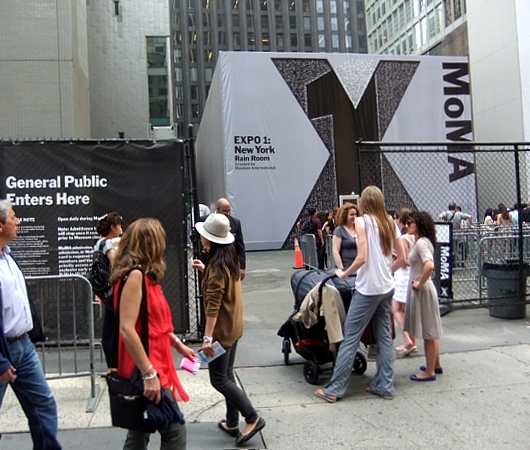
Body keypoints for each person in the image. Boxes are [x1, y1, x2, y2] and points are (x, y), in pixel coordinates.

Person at [111, 218, 196, 449]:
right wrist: (149, 374)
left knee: (140, 429)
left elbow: (152, 323)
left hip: (153, 361)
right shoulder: (135, 276)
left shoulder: (144, 276)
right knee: (174, 429)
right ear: (151, 244)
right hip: (148, 365)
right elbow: (128, 329)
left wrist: (177, 344)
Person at [314, 186, 405, 402]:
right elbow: (403, 258)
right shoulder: (390, 223)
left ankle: (335, 388)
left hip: (368, 289)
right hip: (386, 287)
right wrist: (387, 272)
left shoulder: (362, 222)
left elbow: (362, 257)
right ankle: (385, 384)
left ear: (364, 202)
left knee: (350, 337)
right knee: (383, 335)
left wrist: (344, 273)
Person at [192, 214, 265, 445]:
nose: (201, 237)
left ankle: (252, 417)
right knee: (227, 374)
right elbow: (221, 289)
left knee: (219, 380)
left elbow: (212, 306)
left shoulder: (216, 267)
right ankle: (232, 421)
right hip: (234, 327)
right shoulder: (229, 261)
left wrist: (206, 338)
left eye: (203, 234)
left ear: (210, 239)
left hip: (221, 332)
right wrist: (206, 270)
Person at [0, 199, 62, 449]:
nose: (19, 221)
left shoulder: (9, 257)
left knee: (43, 404)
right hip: (3, 351)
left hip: (23, 347)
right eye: (13, 217)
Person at [403, 211, 443, 381]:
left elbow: (429, 265)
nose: (407, 225)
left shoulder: (421, 243)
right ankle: (435, 364)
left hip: (423, 290)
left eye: (410, 222)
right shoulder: (422, 241)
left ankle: (429, 371)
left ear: (419, 224)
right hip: (423, 288)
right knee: (430, 329)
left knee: (428, 331)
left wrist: (419, 283)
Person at [94, 212, 123, 368]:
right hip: (113, 291)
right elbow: (116, 263)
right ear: (112, 227)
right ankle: (114, 365)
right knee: (112, 329)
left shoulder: (99, 242)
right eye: (119, 226)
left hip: (105, 291)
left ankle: (112, 364)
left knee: (109, 328)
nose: (121, 229)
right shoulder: (107, 244)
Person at [392, 208, 416, 357]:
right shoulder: (414, 237)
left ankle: (407, 340)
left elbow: (404, 261)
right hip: (411, 275)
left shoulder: (403, 239)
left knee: (396, 308)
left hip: (402, 276)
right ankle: (412, 342)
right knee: (408, 310)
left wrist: (396, 259)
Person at [213, 198, 246, 281]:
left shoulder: (235, 223)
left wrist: (242, 267)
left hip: (231, 262)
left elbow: (240, 246)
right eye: (225, 211)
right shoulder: (207, 221)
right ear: (217, 210)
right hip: (214, 262)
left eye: (229, 211)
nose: (228, 214)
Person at [332, 203, 361, 272]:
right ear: (345, 216)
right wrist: (341, 269)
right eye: (351, 215)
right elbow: (335, 252)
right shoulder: (339, 230)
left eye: (356, 214)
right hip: (346, 268)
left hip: (358, 268)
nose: (354, 217)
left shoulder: (359, 229)